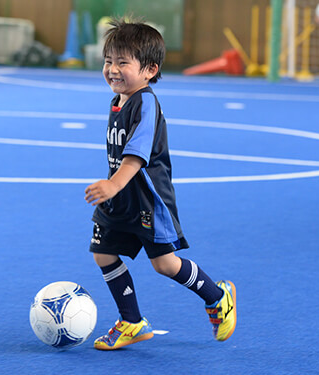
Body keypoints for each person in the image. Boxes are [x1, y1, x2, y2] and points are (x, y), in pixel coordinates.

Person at [84, 19, 237, 351]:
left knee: (164, 264)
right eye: (108, 61)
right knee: (103, 253)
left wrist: (112, 185)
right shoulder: (119, 101)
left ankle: (217, 296)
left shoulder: (145, 103)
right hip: (119, 198)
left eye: (123, 62)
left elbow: (137, 156)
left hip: (146, 200)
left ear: (150, 69)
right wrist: (114, 190)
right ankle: (132, 321)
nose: (112, 69)